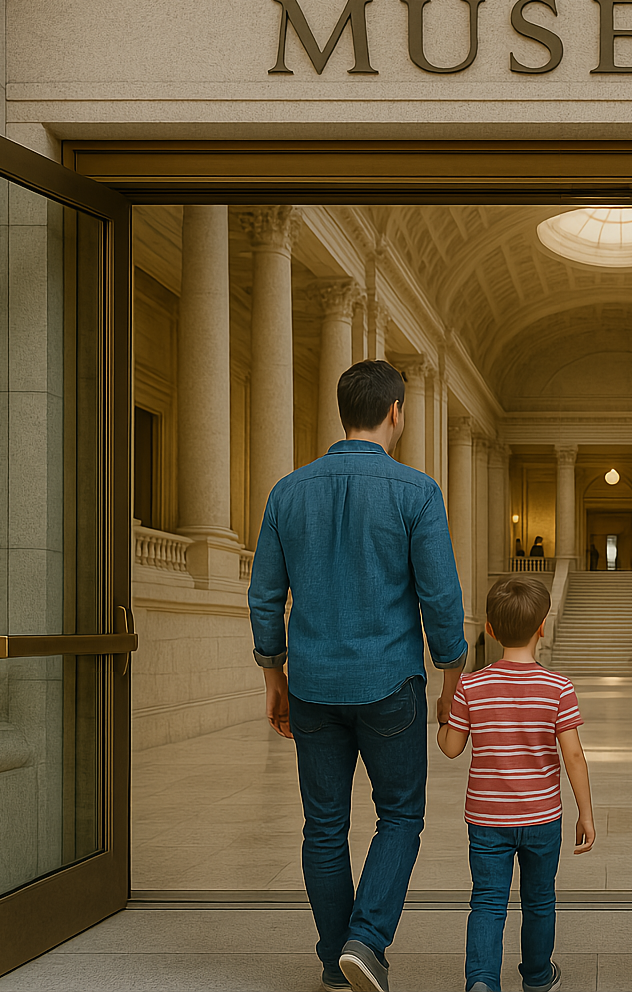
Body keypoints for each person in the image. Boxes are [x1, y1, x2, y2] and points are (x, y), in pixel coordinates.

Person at [249, 360, 467, 992]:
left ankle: (334, 959)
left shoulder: (288, 492)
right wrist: (452, 675)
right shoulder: (417, 492)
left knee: (324, 826)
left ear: (341, 413)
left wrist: (273, 675)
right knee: (400, 815)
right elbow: (441, 598)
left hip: (313, 684)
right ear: (395, 412)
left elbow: (266, 598)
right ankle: (366, 939)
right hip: (389, 682)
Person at [438, 576, 596, 992]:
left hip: (487, 818)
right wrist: (586, 813)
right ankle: (538, 977)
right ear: (543, 626)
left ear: (489, 629)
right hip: (543, 816)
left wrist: (445, 717)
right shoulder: (558, 687)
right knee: (539, 900)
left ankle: (483, 981)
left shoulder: (471, 686)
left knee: (488, 901)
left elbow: (452, 748)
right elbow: (574, 756)